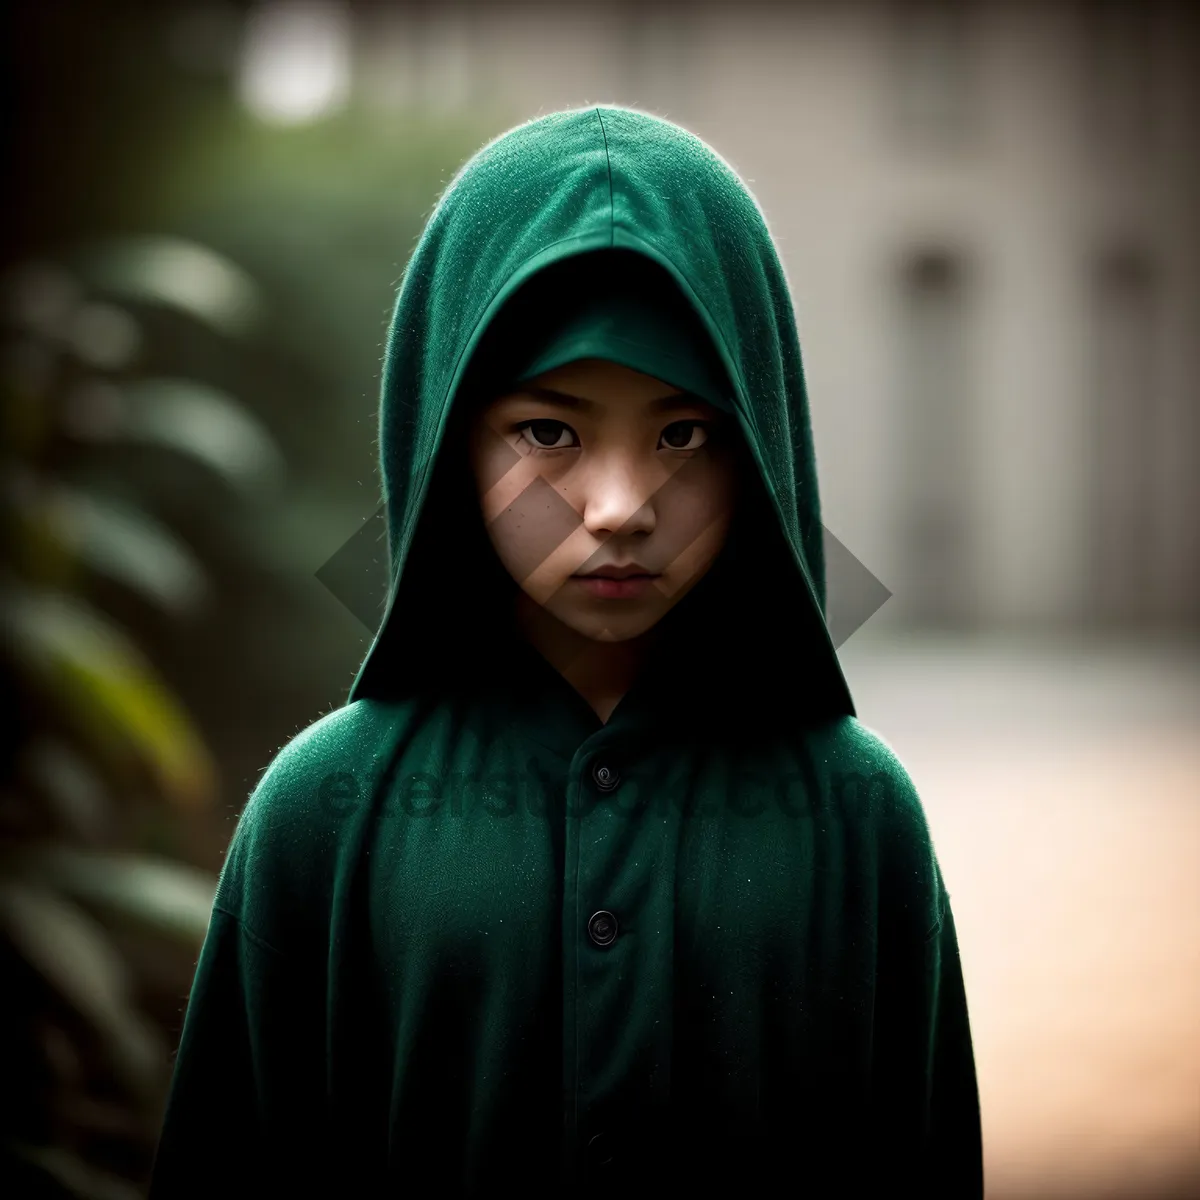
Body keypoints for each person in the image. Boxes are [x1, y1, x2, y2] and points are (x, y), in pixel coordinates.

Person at [148, 105, 983, 1198]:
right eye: (550, 431)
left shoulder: (857, 814)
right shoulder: (321, 814)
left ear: (758, 449)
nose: (622, 506)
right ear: (451, 441)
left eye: (684, 435)